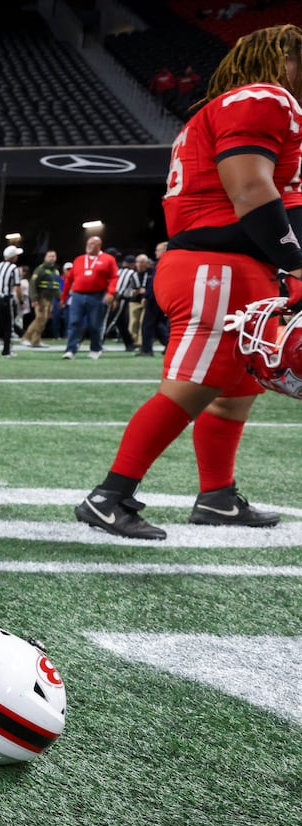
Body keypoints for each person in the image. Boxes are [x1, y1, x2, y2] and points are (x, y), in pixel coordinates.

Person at [75, 24, 302, 541]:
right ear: (279, 59)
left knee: (235, 392)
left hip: (235, 265)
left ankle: (217, 497)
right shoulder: (264, 97)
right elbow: (250, 189)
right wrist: (296, 264)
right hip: (216, 265)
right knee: (191, 388)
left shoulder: (244, 105)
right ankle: (108, 497)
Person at [61, 235, 119, 359]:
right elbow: (69, 279)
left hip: (97, 295)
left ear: (99, 245)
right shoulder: (79, 259)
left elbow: (114, 277)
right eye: (88, 243)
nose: (89, 246)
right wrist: (63, 297)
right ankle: (70, 350)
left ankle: (95, 349)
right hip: (78, 295)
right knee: (74, 322)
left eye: (92, 244)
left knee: (95, 324)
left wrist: (111, 293)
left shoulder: (108, 259)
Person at [25, 250, 61, 348]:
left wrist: (60, 298)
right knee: (40, 318)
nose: (52, 258)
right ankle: (26, 337)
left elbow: (56, 287)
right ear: (45, 258)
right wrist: (34, 298)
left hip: (50, 299)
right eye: (50, 256)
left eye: (54, 256)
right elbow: (33, 285)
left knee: (44, 320)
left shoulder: (55, 271)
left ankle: (36, 340)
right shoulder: (40, 270)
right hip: (41, 298)